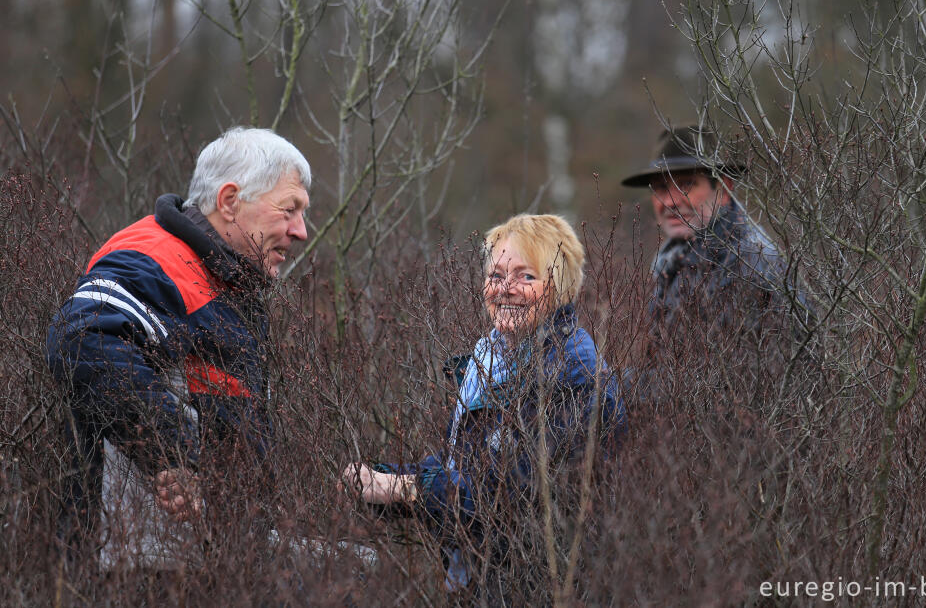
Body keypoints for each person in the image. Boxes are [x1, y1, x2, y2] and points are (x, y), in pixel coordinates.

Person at [47, 127, 311, 573]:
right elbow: (83, 338)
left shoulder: (225, 282)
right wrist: (171, 456)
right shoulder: (154, 260)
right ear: (229, 202)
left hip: (194, 566)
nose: (300, 231)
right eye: (290, 210)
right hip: (136, 569)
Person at [339, 214, 624, 602]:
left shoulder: (574, 377)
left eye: (526, 277)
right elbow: (469, 464)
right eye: (495, 276)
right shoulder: (489, 359)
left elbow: (509, 496)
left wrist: (406, 489)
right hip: (486, 582)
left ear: (559, 289)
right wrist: (385, 477)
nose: (506, 289)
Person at [621, 125, 814, 345]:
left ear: (724, 189)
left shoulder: (751, 262)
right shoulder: (669, 257)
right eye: (661, 188)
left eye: (686, 184)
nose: (671, 202)